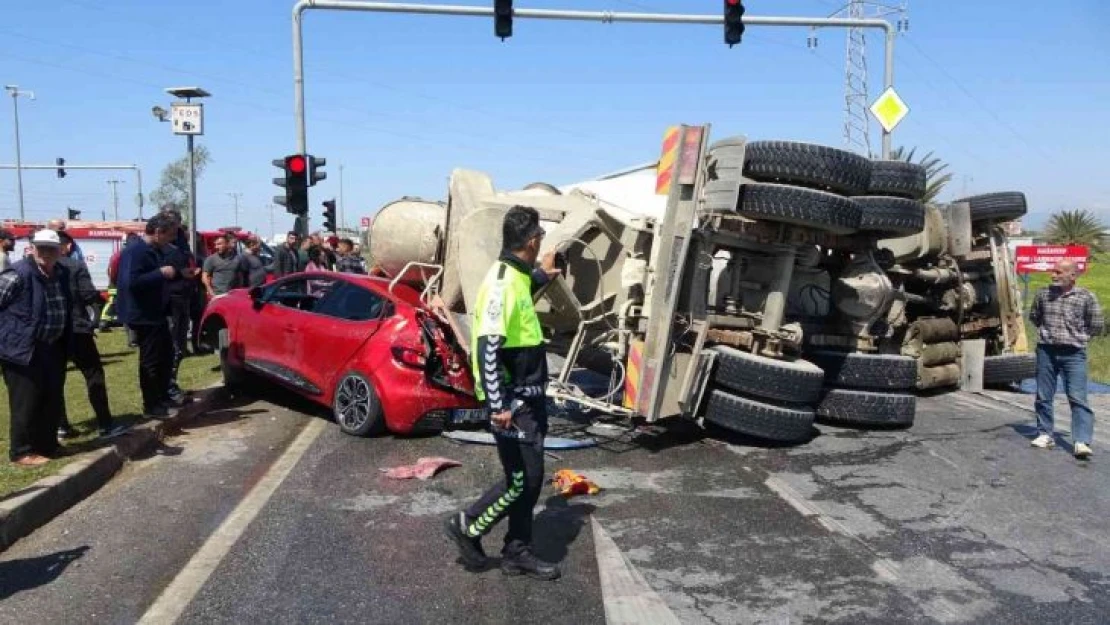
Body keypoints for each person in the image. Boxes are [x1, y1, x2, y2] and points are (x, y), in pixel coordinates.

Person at [445, 206, 561, 580]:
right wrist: (499, 405)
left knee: (527, 477)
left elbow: (522, 290)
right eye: (539, 240)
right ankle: (470, 525)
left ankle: (516, 552)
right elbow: (488, 349)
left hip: (525, 399)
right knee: (523, 479)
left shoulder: (514, 275)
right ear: (532, 241)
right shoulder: (502, 284)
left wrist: (543, 274)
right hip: (514, 403)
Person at [0, 230, 73, 466]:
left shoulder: (60, 273)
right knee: (26, 401)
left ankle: (47, 445)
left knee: (51, 398)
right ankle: (21, 451)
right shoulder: (18, 274)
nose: (46, 253)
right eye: (41, 247)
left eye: (51, 248)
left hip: (52, 346)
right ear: (31, 248)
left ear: (60, 250)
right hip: (22, 348)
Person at [54, 232, 131, 440]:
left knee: (56, 380)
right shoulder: (74, 266)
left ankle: (61, 426)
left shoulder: (39, 267)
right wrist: (99, 301)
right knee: (93, 374)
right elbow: (88, 294)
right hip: (77, 328)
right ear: (67, 246)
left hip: (52, 331)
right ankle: (105, 423)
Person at [1029, 259, 1104, 459]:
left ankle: (1081, 441)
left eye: (1059, 272)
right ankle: (1045, 434)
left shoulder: (1086, 297)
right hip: (1046, 351)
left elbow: (1096, 324)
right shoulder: (1043, 294)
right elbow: (1035, 317)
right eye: (1053, 271)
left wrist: (1079, 338)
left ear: (1072, 276)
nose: (1053, 275)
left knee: (1077, 397)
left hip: (1074, 354)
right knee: (1044, 395)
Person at [116, 214, 180, 420]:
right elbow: (131, 282)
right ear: (158, 232)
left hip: (156, 312)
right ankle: (151, 404)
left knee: (166, 356)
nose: (171, 240)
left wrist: (178, 274)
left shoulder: (154, 250)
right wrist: (160, 273)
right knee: (151, 360)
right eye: (169, 235)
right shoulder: (136, 251)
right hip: (142, 314)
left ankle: (162, 397)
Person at [160, 210, 200, 404]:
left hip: (184, 297)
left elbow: (187, 259)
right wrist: (180, 273)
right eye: (171, 223)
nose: (175, 227)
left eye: (177, 222)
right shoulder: (159, 245)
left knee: (180, 347)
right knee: (171, 347)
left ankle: (171, 383)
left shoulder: (181, 240)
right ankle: (166, 387)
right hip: (170, 301)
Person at [201, 234, 242, 298]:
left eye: (219, 244)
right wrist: (210, 292)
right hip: (217, 295)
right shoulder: (211, 259)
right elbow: (204, 277)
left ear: (227, 244)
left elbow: (240, 276)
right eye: (215, 244)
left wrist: (239, 291)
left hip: (233, 295)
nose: (216, 247)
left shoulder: (237, 258)